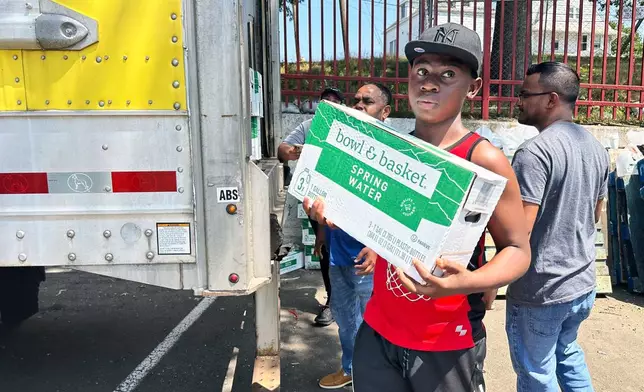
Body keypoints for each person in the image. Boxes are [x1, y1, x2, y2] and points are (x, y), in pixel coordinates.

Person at [305, 23, 531, 391]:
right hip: (379, 331)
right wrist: (333, 214)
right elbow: (386, 226)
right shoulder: (394, 150)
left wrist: (470, 282)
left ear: (472, 88)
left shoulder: (484, 159)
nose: (429, 83)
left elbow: (518, 251)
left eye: (448, 74)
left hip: (445, 341)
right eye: (422, 71)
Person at [504, 61, 609, 392]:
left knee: (536, 372)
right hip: (581, 283)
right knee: (567, 354)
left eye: (524, 94)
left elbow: (519, 232)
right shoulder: (594, 147)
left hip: (543, 290)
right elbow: (595, 214)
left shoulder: (534, 152)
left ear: (550, 99)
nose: (518, 101)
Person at [318, 83, 392, 389]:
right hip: (338, 255)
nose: (358, 105)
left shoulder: (394, 153)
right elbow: (325, 193)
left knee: (373, 324)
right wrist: (322, 232)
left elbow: (395, 212)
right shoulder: (341, 146)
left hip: (368, 259)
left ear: (385, 112)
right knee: (345, 322)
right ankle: (348, 368)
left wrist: (376, 249)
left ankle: (375, 377)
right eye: (356, 100)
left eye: (368, 101)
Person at [279, 87, 344, 327]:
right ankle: (332, 302)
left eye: (335, 102)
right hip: (318, 203)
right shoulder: (308, 127)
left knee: (351, 254)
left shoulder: (351, 128)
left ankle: (349, 301)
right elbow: (283, 151)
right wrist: (304, 150)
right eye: (325, 101)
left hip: (347, 202)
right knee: (325, 249)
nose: (329, 105)